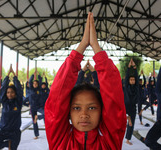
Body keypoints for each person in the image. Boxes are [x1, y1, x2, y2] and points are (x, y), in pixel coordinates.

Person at [44, 12, 126, 149]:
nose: (84, 114)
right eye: (76, 108)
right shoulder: (60, 141)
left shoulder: (109, 143)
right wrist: (81, 47)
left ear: (102, 112)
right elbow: (56, 100)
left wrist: (96, 47)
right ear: (68, 112)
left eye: (92, 107)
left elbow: (114, 100)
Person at [124, 58, 139, 145]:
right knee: (122, 122)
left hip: (133, 107)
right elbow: (126, 79)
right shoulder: (126, 86)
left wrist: (135, 67)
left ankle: (128, 139)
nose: (133, 81)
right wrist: (129, 68)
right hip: (126, 106)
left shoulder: (136, 87)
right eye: (131, 80)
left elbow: (136, 77)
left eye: (133, 80)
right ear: (129, 81)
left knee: (131, 124)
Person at [29, 71, 43, 139]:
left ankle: (38, 117)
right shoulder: (31, 89)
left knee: (46, 113)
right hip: (33, 107)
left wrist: (38, 75)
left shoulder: (39, 89)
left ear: (37, 84)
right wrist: (32, 75)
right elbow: (29, 81)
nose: (35, 84)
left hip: (39, 106)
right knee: (34, 122)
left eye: (36, 83)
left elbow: (40, 81)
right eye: (33, 83)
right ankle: (36, 135)